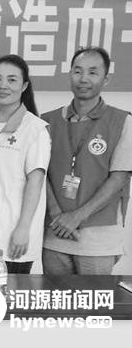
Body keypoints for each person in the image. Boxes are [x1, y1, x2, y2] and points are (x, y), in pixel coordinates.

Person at [42, 46, 132, 275]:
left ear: (106, 79)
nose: (83, 79)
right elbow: (40, 174)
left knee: (93, 299)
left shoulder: (123, 121)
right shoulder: (47, 121)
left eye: (93, 72)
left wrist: (76, 217)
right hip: (54, 234)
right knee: (54, 298)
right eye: (78, 71)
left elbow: (119, 178)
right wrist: (57, 215)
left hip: (98, 239)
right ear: (70, 74)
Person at [0, 54, 50, 274]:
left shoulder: (34, 129)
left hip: (13, 235)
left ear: (24, 86)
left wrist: (23, 228)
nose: (3, 85)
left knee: (11, 294)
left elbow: (36, 182)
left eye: (12, 80)